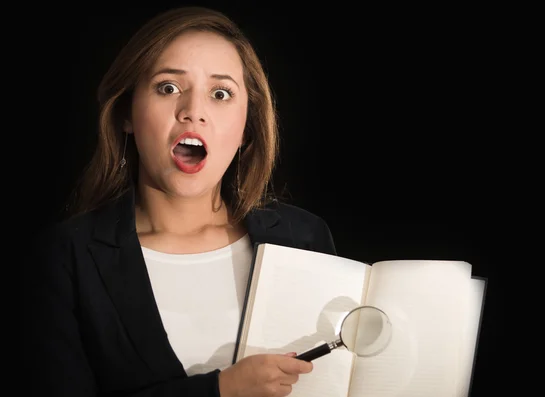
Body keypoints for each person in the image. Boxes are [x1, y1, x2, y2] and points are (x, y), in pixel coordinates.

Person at [25, 5, 338, 397]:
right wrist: (221, 390)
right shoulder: (64, 259)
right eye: (168, 88)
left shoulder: (305, 238)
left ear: (246, 128)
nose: (193, 112)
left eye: (221, 93)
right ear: (127, 112)